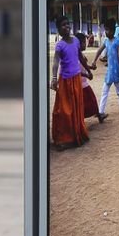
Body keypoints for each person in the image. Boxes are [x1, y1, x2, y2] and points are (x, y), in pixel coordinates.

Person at [47, 16, 89, 150]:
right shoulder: (60, 45)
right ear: (58, 29)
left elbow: (80, 58)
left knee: (76, 108)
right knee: (63, 110)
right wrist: (54, 78)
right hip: (65, 81)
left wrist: (88, 70)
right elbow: (55, 63)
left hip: (76, 79)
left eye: (68, 24)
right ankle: (61, 139)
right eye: (63, 25)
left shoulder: (76, 41)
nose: (67, 27)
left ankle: (77, 135)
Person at [95, 19, 119, 117]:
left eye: (108, 30)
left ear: (113, 31)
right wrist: (94, 60)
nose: (106, 32)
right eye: (105, 30)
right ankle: (101, 111)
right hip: (110, 71)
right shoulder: (106, 41)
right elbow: (99, 51)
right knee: (105, 90)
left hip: (116, 70)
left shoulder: (117, 41)